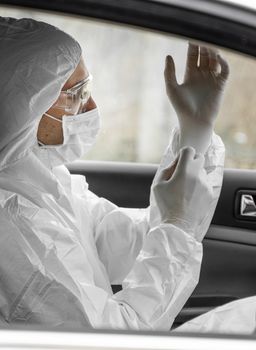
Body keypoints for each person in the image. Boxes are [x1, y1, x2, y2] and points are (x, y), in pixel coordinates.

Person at [0, 17, 228, 330]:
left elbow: (124, 242)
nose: (91, 105)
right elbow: (115, 338)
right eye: (75, 92)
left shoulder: (38, 179)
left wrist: (196, 132)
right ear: (22, 105)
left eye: (87, 86)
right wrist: (177, 226)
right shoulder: (13, 223)